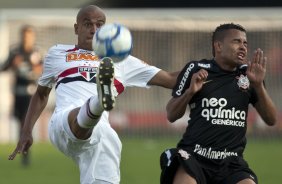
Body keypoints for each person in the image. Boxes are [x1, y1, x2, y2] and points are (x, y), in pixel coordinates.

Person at [8, 5, 178, 184]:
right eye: (88, 24)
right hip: (63, 123)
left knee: (104, 172)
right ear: (76, 28)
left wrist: (206, 68)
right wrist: (26, 131)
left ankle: (99, 100)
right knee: (80, 113)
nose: (94, 30)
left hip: (100, 133)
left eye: (100, 25)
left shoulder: (122, 61)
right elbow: (41, 94)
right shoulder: (57, 53)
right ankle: (99, 100)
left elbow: (170, 78)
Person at [160, 23, 277, 184]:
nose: (243, 47)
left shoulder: (249, 75)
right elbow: (171, 114)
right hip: (195, 157)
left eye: (245, 43)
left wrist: (258, 85)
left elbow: (271, 120)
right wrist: (190, 92)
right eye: (236, 42)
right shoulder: (196, 69)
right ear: (219, 46)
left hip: (231, 163)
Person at [1, 25, 42, 166]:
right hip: (17, 94)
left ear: (33, 37)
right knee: (21, 124)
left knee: (26, 123)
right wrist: (12, 64)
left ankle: (25, 154)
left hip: (31, 94)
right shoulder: (15, 52)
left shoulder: (36, 53)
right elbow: (3, 67)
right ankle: (24, 151)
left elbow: (44, 70)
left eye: (29, 36)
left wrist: (37, 68)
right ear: (21, 37)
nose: (27, 39)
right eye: (25, 36)